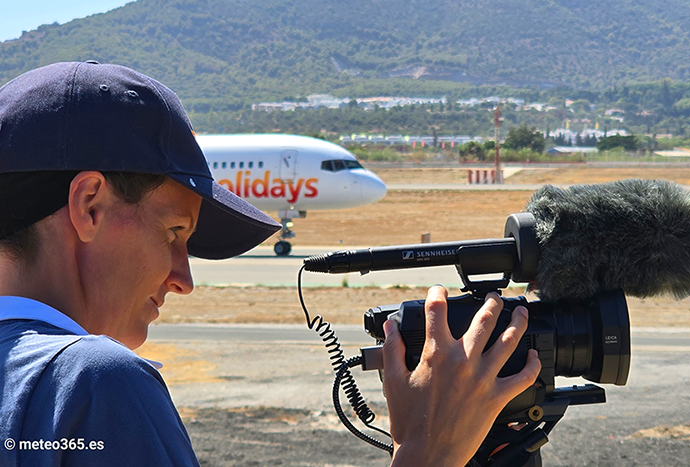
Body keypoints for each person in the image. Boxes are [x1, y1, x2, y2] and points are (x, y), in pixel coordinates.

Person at [0, 61, 540, 467]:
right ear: (89, 205)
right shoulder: (91, 385)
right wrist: (429, 451)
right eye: (174, 233)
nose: (183, 280)